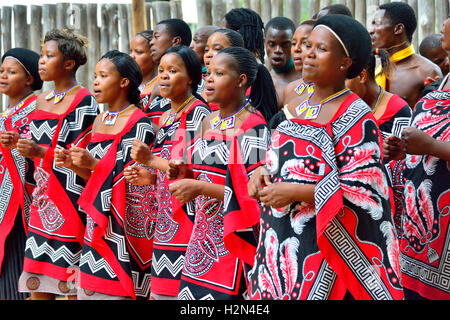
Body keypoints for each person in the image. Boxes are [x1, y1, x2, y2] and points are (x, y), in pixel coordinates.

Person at [247, 14, 403, 300]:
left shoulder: (357, 116)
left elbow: (365, 192)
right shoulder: (297, 106)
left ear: (345, 63)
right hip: (285, 241)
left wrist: (295, 191)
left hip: (329, 251)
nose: (307, 53)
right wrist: (260, 173)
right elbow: (274, 158)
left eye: (320, 49)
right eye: (307, 46)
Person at [168, 46, 271, 300]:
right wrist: (180, 172)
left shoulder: (253, 125)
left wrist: (200, 188)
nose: (209, 79)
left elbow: (254, 195)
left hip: (235, 238)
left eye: (219, 73)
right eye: (208, 72)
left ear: (241, 80)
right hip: (201, 237)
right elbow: (195, 171)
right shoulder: (207, 121)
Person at [54, 50, 155, 300]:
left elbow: (131, 179)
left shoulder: (139, 123)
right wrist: (74, 165)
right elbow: (94, 180)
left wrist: (94, 163)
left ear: (123, 82)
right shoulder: (99, 120)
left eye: (103, 75)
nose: (95, 81)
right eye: (96, 76)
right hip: (97, 219)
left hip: (125, 224)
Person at [16, 29, 99, 300]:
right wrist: (18, 143)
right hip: (42, 201)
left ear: (68, 63)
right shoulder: (41, 100)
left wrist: (40, 151)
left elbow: (79, 156)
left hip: (70, 202)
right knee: (38, 288)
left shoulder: (84, 101)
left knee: (71, 286)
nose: (41, 61)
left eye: (49, 56)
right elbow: (33, 151)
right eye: (42, 55)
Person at [125, 45, 211, 300]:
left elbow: (192, 168)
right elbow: (168, 166)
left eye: (173, 71)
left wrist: (150, 160)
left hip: (188, 216)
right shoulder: (166, 117)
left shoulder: (198, 113)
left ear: (192, 78)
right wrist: (150, 176)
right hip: (165, 217)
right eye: (161, 70)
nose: (163, 76)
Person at [382, 16, 450, 300]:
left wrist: (431, 147)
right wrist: (404, 152)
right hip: (418, 240)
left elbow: (436, 143)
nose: (443, 26)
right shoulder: (443, 80)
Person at [346, 48, 412, 237]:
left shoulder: (399, 111)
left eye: (345, 80)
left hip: (391, 215)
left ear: (362, 76)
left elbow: (405, 169)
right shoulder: (345, 108)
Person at [0, 48, 43, 300]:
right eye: (2, 71)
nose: (3, 76)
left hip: (21, 207)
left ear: (29, 79)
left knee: (15, 274)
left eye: (11, 72)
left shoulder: (37, 110)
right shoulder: (7, 114)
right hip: (5, 201)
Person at [369, 1, 442, 109]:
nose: (371, 31)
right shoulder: (373, 67)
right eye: (372, 24)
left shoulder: (426, 71)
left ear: (398, 29)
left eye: (377, 24)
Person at [146, 18, 193, 127]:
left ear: (176, 41)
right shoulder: (158, 84)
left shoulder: (198, 86)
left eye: (156, 37)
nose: (151, 42)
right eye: (161, 71)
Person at [269, 20, 315, 129]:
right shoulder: (290, 89)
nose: (297, 49)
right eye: (293, 44)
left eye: (305, 43)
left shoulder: (332, 91)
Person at [264, 17, 301, 109]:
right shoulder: (262, 80)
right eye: (272, 44)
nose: (277, 50)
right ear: (264, 43)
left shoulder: (305, 80)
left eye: (285, 45)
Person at [130, 30, 158, 112]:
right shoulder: (126, 84)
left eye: (138, 52)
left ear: (153, 54)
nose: (131, 56)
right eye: (130, 51)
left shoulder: (161, 87)